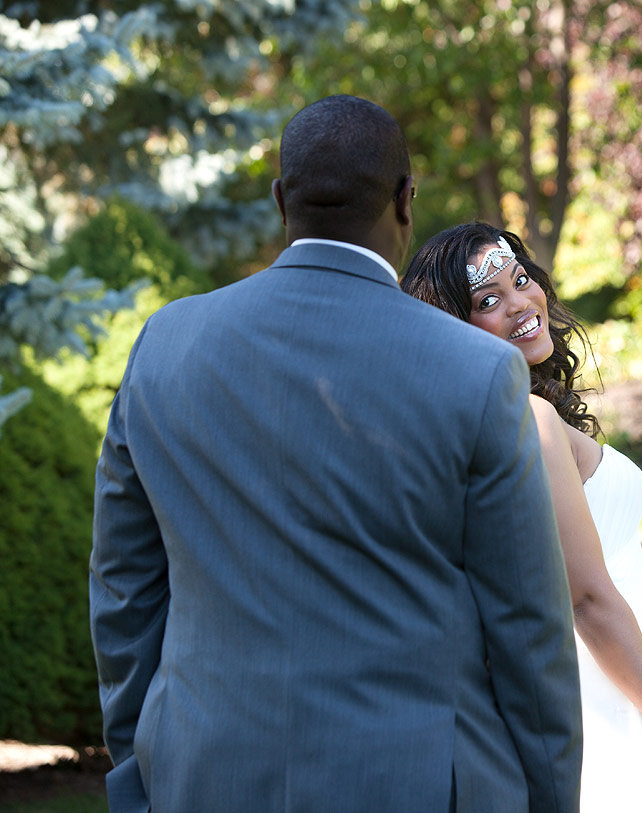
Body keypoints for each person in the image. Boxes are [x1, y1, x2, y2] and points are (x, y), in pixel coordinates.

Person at [89, 96, 583, 813]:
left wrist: (142, 771)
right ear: (406, 200)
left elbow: (124, 590)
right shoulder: (476, 370)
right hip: (418, 780)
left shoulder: (165, 344)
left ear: (281, 199)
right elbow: (527, 626)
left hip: (206, 775)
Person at [402, 223, 642, 813]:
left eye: (520, 280)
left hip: (607, 686)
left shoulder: (504, 414)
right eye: (488, 301)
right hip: (606, 703)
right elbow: (586, 600)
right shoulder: (527, 418)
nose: (520, 305)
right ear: (455, 328)